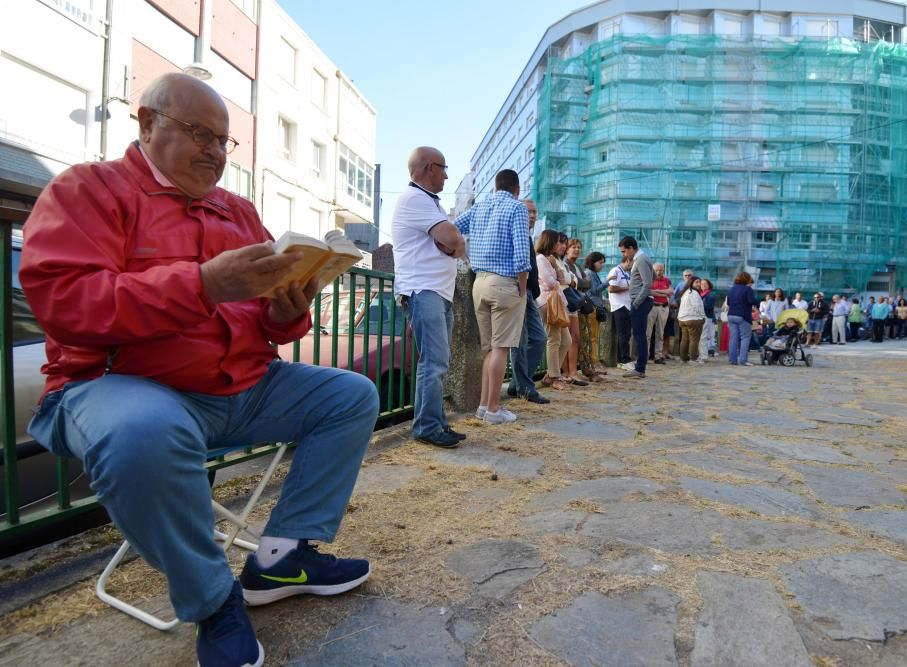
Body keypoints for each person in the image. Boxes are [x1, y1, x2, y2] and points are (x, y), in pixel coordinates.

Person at [19, 73, 377, 667]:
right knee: (144, 433)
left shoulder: (237, 210)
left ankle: (281, 558)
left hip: (237, 386)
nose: (214, 151)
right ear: (146, 122)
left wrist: (288, 312)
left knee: (352, 395)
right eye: (199, 134)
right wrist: (204, 284)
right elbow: (66, 303)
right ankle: (214, 602)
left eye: (223, 141)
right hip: (117, 388)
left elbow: (270, 322)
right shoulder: (88, 190)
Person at [393, 146, 467, 448]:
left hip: (435, 291)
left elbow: (455, 242)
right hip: (423, 290)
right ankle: (426, 426)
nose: (447, 175)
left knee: (438, 361)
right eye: (444, 168)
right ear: (429, 167)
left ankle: (435, 422)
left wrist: (453, 243)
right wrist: (452, 243)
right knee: (434, 362)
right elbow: (452, 239)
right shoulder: (415, 199)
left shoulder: (428, 202)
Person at [455, 169, 530, 425]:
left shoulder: (480, 206)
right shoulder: (517, 208)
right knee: (500, 348)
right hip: (505, 282)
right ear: (516, 189)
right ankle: (495, 409)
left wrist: (465, 257)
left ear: (496, 186)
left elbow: (453, 227)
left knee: (489, 349)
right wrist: (522, 286)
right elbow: (522, 252)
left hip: (480, 281)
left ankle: (484, 407)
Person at [506, 199, 550, 405]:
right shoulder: (515, 231)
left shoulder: (528, 235)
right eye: (528, 212)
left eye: (534, 212)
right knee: (519, 342)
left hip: (530, 293)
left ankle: (517, 383)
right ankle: (524, 386)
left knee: (539, 338)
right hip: (519, 291)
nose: (532, 216)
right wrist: (522, 290)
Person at [535, 230, 573, 390]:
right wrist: (559, 280)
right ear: (550, 242)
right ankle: (555, 376)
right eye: (558, 241)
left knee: (566, 341)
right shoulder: (541, 259)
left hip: (556, 302)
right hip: (547, 302)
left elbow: (565, 280)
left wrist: (557, 274)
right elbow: (552, 282)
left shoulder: (550, 260)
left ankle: (551, 375)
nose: (560, 245)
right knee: (554, 339)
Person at [559, 237, 594, 385]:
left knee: (575, 338)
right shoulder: (564, 263)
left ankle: (572, 371)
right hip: (567, 301)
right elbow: (574, 282)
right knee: (569, 339)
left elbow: (587, 284)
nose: (577, 249)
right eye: (574, 246)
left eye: (579, 247)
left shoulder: (576, 266)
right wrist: (578, 282)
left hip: (575, 303)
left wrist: (577, 282)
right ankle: (568, 372)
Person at [620, 236, 653, 378]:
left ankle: (640, 369)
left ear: (631, 248)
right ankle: (639, 368)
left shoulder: (641, 259)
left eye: (624, 251)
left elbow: (647, 284)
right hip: (640, 301)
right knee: (639, 336)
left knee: (640, 336)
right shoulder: (639, 260)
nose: (623, 255)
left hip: (641, 302)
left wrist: (636, 302)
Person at [726, 271, 758, 366]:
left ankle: (733, 360)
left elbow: (728, 303)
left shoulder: (731, 289)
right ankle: (743, 360)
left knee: (733, 338)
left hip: (731, 315)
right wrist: (757, 302)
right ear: (746, 279)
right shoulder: (748, 289)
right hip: (743, 315)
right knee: (745, 337)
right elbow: (751, 300)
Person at [584, 251, 609, 370]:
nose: (602, 265)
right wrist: (608, 282)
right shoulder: (589, 273)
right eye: (600, 262)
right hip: (592, 307)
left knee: (594, 337)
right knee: (593, 337)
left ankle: (594, 361)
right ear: (593, 262)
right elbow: (594, 290)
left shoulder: (593, 273)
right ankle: (593, 362)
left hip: (596, 307)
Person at [607, 256, 633, 370]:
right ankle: (623, 359)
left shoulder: (627, 273)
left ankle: (624, 358)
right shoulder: (615, 270)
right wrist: (627, 288)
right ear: (627, 261)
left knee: (626, 334)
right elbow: (611, 288)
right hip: (619, 306)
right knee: (623, 334)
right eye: (632, 263)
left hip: (627, 305)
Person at [677, 276, 706, 363]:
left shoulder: (685, 292)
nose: (698, 284)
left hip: (683, 319)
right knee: (694, 340)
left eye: (699, 282)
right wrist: (703, 317)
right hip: (693, 319)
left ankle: (684, 358)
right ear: (691, 283)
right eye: (696, 282)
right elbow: (697, 307)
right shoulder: (694, 293)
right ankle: (693, 359)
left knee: (685, 339)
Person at [647, 263, 673, 364]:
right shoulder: (649, 279)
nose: (658, 272)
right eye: (656, 270)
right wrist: (663, 292)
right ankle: (645, 356)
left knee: (660, 333)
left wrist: (656, 291)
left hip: (663, 307)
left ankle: (658, 356)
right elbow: (648, 291)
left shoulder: (667, 280)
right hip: (651, 307)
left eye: (661, 270)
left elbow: (670, 292)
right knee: (647, 333)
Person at [699, 278, 717, 359]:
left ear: (709, 285)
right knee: (703, 336)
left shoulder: (711, 294)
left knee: (709, 336)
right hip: (701, 317)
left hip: (708, 317)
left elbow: (709, 306)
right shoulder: (700, 294)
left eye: (705, 284)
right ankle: (704, 351)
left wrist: (698, 306)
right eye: (702, 284)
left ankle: (708, 351)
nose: (703, 285)